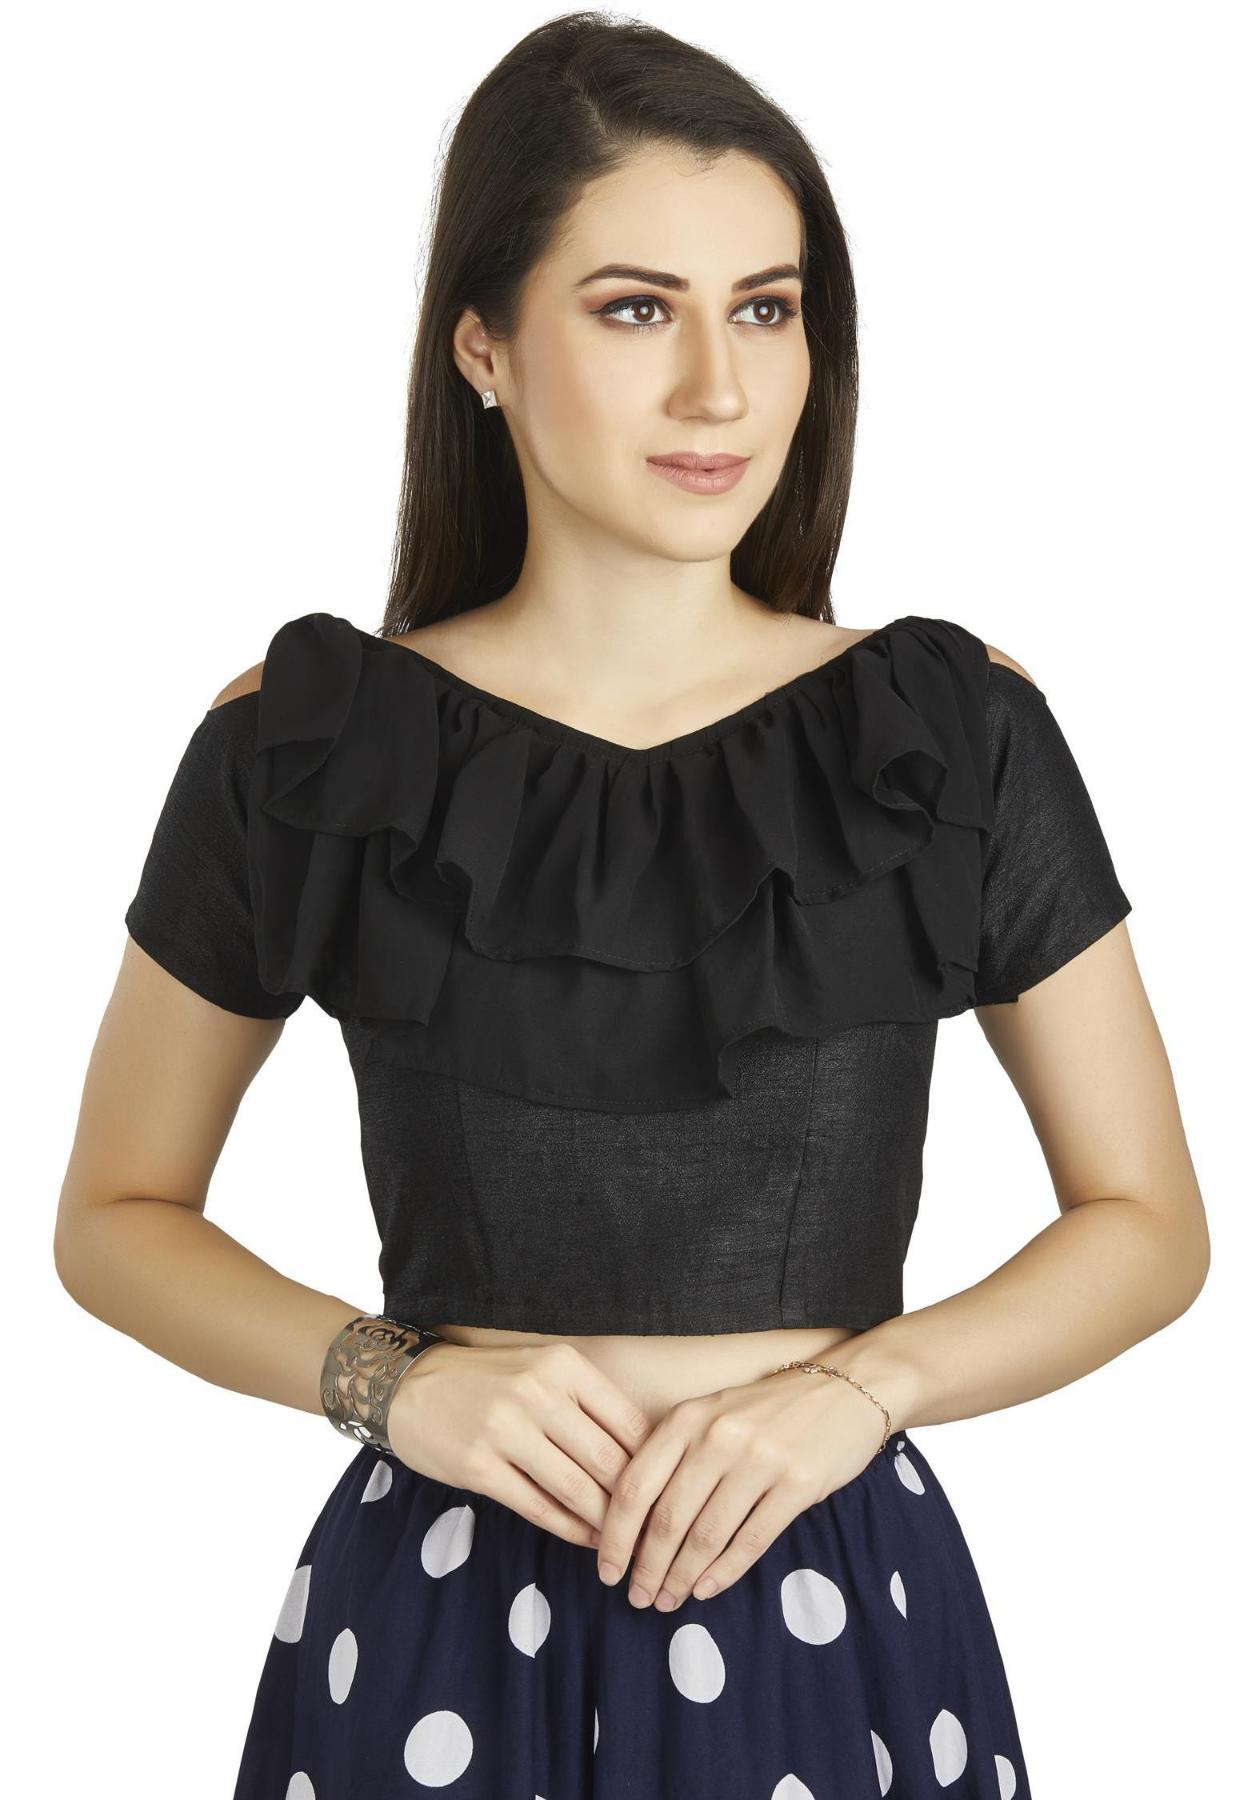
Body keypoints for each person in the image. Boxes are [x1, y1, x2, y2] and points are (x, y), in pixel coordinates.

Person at [54, 14, 1208, 1798]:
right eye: (635, 309)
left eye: (767, 308)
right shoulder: (303, 746)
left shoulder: (949, 732)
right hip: (438, 1604)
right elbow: (115, 1216)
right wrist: (393, 1382)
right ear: (482, 345)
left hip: (830, 1584)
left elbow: (1148, 1223)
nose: (720, 391)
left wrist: (862, 1394)